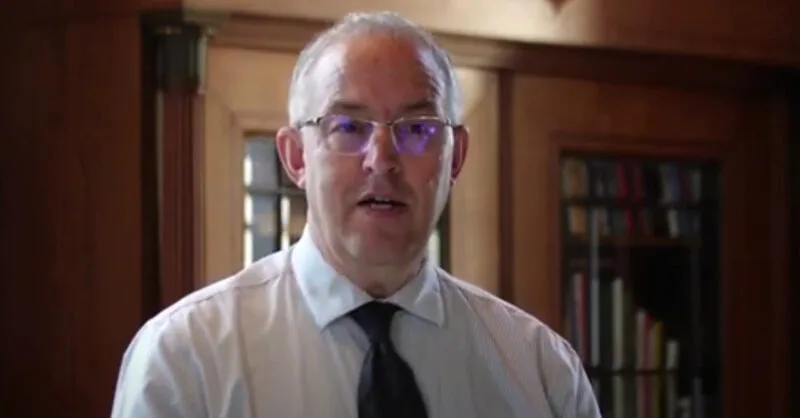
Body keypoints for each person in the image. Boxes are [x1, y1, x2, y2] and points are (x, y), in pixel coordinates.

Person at [111, 11, 600, 418]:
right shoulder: (186, 359)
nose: (381, 160)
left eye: (418, 129)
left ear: (457, 157)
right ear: (296, 158)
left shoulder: (539, 369)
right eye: (348, 127)